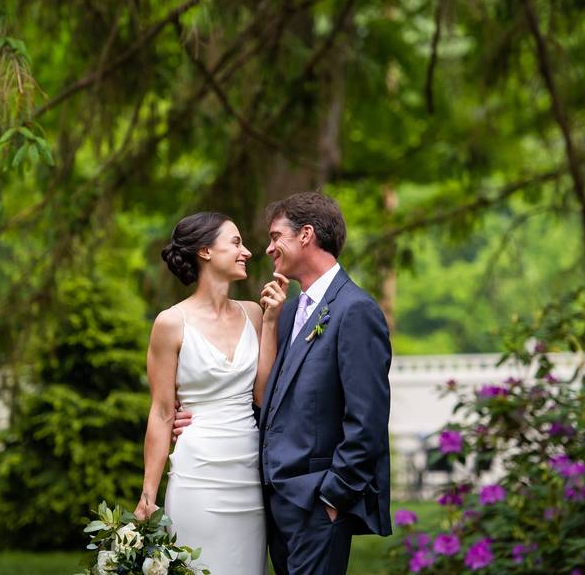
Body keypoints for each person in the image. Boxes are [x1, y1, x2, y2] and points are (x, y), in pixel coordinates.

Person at [175, 192, 393, 575]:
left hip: (319, 505)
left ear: (306, 235)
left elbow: (367, 419)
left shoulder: (355, 311)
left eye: (277, 236)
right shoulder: (288, 312)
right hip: (275, 506)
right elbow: (266, 398)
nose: (269, 247)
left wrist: (334, 497)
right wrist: (201, 418)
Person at [133, 212, 288, 574]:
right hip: (198, 475)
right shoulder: (171, 323)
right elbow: (161, 412)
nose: (247, 251)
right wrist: (147, 495)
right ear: (204, 251)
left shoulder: (253, 313)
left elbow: (263, 396)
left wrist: (270, 322)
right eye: (235, 242)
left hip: (249, 474)